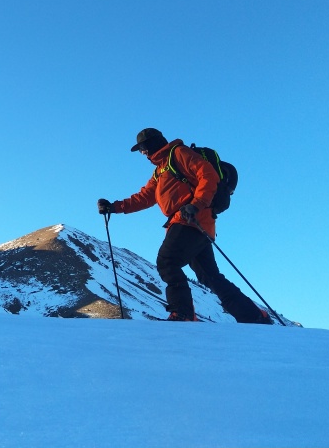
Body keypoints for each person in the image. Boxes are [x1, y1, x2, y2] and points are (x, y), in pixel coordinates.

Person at [98, 128, 271, 324]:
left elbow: (208, 175)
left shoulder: (178, 154)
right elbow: (145, 197)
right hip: (193, 222)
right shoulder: (160, 170)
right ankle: (254, 316)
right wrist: (114, 207)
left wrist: (196, 204)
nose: (143, 153)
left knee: (167, 261)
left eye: (143, 148)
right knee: (210, 276)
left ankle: (183, 313)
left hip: (190, 219)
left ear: (153, 144)